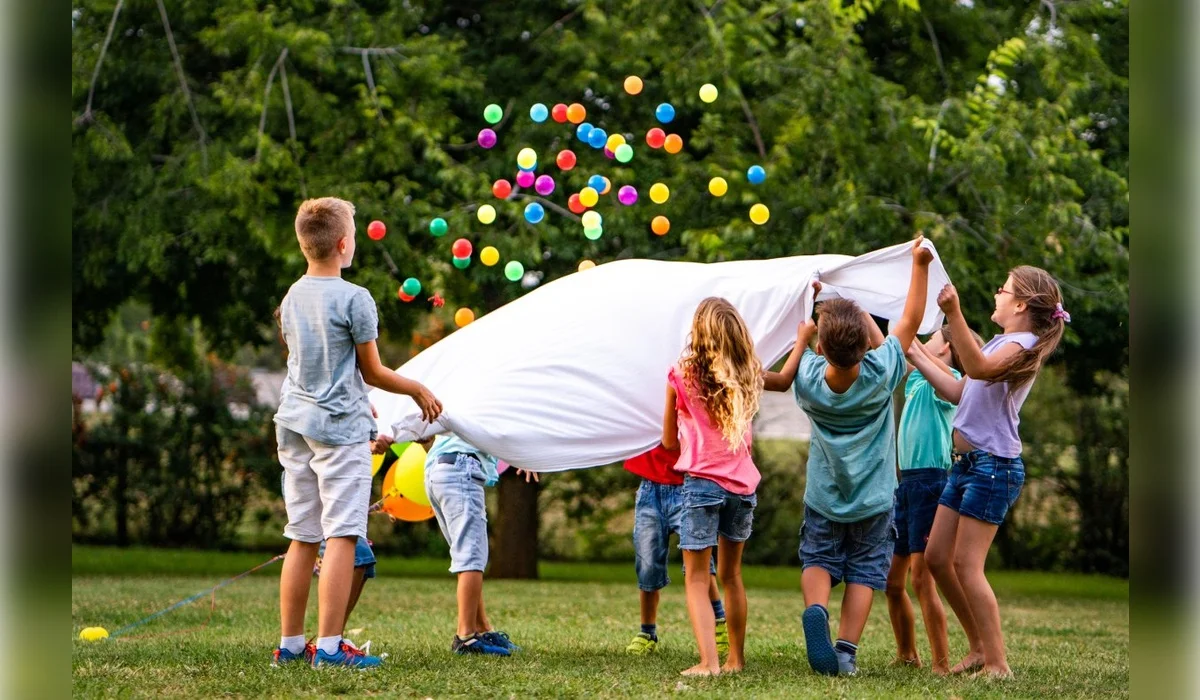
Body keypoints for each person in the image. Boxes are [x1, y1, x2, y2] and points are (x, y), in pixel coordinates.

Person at [272, 196, 442, 668]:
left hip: (293, 424)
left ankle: (289, 646)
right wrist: (416, 389)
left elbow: (307, 364)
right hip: (338, 430)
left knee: (302, 535)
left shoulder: (291, 297)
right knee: (343, 534)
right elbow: (373, 371)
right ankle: (328, 649)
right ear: (345, 244)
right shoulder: (354, 298)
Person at [763, 237, 933, 676]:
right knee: (864, 571)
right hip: (874, 499)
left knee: (817, 559)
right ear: (865, 345)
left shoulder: (808, 379)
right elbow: (910, 320)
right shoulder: (880, 373)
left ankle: (816, 608)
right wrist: (919, 263)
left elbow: (797, 359)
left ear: (821, 348)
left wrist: (808, 314)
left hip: (824, 495)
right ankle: (845, 652)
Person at [920, 266, 1069, 678]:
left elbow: (981, 369)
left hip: (993, 467)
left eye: (1002, 289)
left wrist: (954, 314)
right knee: (936, 558)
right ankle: (979, 648)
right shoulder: (1003, 341)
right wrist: (913, 352)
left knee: (967, 565)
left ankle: (998, 663)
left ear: (1020, 304)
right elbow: (956, 389)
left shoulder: (1020, 345)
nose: (997, 294)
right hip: (967, 465)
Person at [663, 297, 763, 676]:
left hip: (702, 483)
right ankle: (735, 660)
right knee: (732, 575)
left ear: (699, 333)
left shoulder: (680, 374)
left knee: (697, 577)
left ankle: (709, 663)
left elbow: (669, 442)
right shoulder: (749, 376)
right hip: (741, 486)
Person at [885, 324, 982, 674]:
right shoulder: (915, 381)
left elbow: (908, 344)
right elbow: (896, 345)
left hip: (931, 482)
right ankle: (908, 653)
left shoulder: (952, 379)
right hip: (907, 484)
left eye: (933, 340)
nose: (924, 343)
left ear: (945, 349)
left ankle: (940, 664)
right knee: (892, 582)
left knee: (922, 579)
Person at [622, 444, 727, 657]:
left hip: (689, 488)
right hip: (650, 490)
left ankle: (719, 624)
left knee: (700, 563)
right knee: (647, 564)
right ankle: (647, 632)